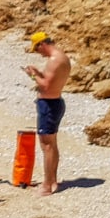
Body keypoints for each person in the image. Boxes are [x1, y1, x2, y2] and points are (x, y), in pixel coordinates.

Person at [24, 30, 72, 195]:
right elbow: (50, 81)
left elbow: (45, 86)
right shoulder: (62, 57)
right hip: (55, 102)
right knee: (52, 145)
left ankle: (46, 186)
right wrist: (38, 74)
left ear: (42, 44)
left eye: (37, 49)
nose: (38, 53)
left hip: (49, 105)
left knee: (47, 145)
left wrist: (32, 76)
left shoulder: (54, 60)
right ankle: (52, 181)